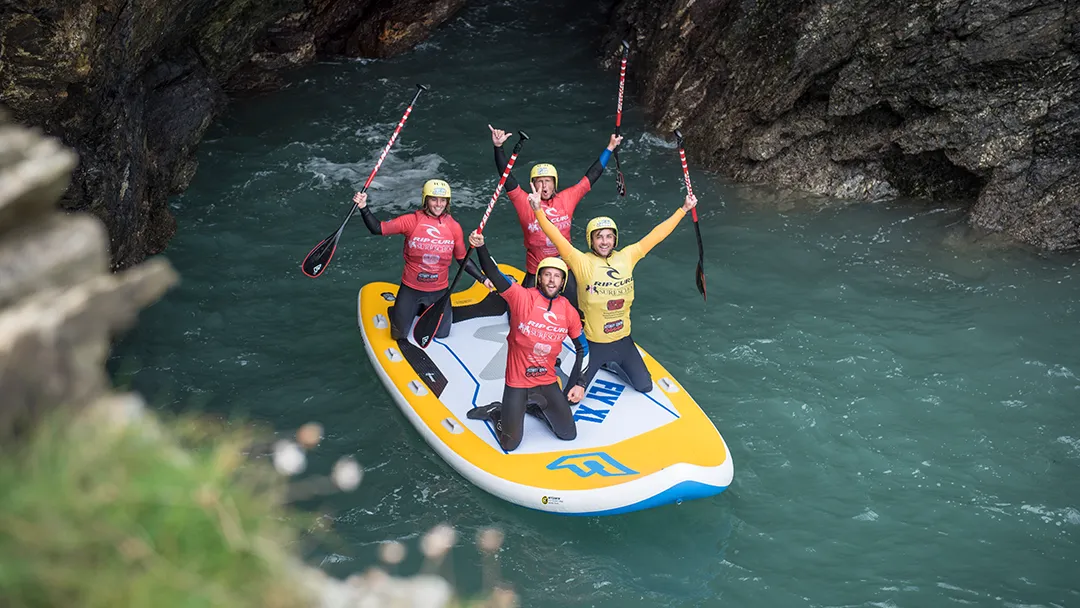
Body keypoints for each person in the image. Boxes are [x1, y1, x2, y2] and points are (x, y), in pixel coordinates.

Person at [530, 182, 698, 394]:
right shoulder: (581, 261)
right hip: (593, 346)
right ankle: (567, 373)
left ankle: (611, 365)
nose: (604, 241)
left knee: (645, 386)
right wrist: (538, 210)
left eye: (609, 236)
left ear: (615, 238)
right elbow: (555, 236)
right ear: (591, 240)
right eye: (599, 236)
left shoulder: (628, 256)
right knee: (571, 398)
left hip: (624, 342)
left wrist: (683, 209)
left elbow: (657, 235)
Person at [464, 229, 590, 452]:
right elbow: (493, 273)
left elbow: (583, 348)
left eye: (557, 276)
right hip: (518, 384)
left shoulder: (568, 311)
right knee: (510, 443)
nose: (551, 280)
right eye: (547, 274)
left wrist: (580, 383)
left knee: (568, 434)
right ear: (539, 278)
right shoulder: (521, 297)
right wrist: (481, 246)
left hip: (547, 382)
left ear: (563, 281)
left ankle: (535, 408)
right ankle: (496, 411)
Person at [489, 125, 623, 307]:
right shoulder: (524, 201)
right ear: (532, 184)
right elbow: (506, 177)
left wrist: (610, 147)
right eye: (539, 182)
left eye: (548, 181)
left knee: (578, 310)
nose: (544, 186)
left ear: (555, 184)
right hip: (536, 270)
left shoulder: (567, 198)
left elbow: (591, 176)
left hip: (564, 268)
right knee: (521, 310)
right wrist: (498, 147)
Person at [354, 179, 492, 341]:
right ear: (425, 200)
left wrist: (483, 279)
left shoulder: (454, 227)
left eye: (443, 200)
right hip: (411, 290)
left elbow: (462, 259)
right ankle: (405, 309)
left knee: (443, 334)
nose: (438, 204)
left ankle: (420, 310)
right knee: (398, 335)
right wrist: (363, 206)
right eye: (434, 199)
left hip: (439, 292)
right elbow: (378, 228)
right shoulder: (411, 221)